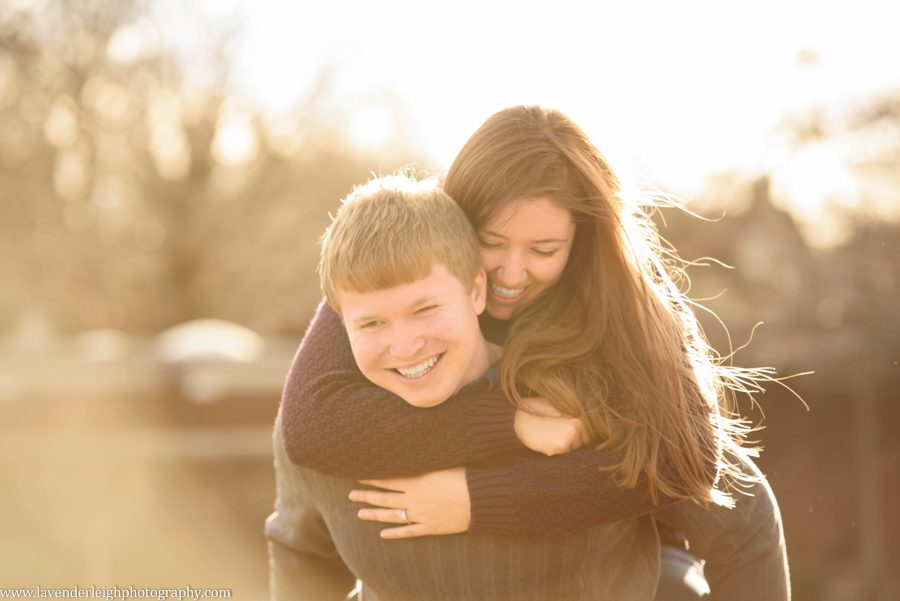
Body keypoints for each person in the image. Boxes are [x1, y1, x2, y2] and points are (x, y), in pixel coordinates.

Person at [274, 106, 790, 599]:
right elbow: (308, 428)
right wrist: (510, 422)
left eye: (543, 250)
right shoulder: (392, 275)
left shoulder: (618, 311)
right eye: (490, 241)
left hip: (650, 561)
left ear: (579, 243)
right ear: (453, 225)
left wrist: (478, 500)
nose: (511, 274)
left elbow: (693, 461)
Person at [267, 173, 664, 599]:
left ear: (476, 291)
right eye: (372, 323)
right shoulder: (322, 427)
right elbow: (302, 555)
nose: (405, 346)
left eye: (425, 309)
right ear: (341, 326)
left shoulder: (580, 393)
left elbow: (717, 510)